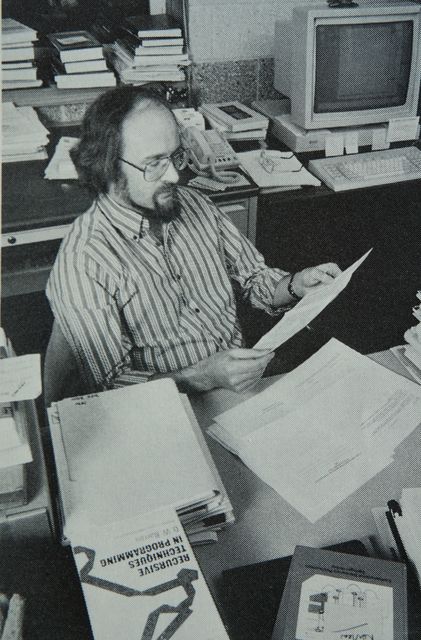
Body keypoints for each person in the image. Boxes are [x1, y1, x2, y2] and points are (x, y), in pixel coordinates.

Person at [46, 86, 341, 395]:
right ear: (107, 166)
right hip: (166, 407)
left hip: (239, 386)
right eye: (153, 164)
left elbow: (254, 279)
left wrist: (296, 285)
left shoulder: (194, 203)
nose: (174, 177)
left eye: (175, 156)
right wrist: (202, 376)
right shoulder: (85, 260)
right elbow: (111, 386)